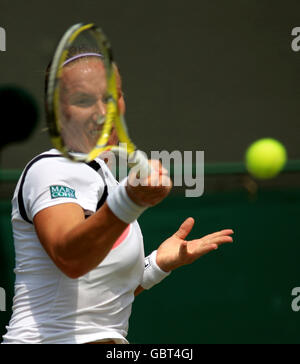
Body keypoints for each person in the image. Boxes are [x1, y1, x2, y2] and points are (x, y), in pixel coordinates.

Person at [2, 52, 234, 344]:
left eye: (113, 96)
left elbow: (97, 297)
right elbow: (70, 259)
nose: (104, 111)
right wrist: (130, 202)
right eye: (85, 100)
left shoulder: (107, 180)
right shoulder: (51, 169)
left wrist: (157, 265)